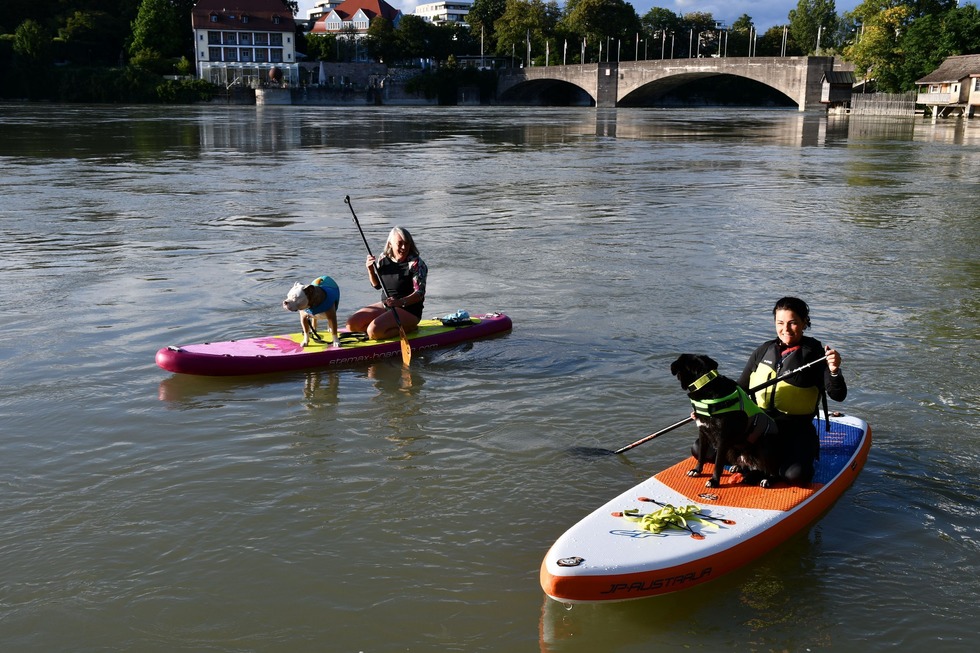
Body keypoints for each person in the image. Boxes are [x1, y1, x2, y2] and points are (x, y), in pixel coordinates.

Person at [738, 296, 847, 485]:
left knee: (796, 476)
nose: (785, 329)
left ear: (804, 323)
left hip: (796, 429)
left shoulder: (816, 355)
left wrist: (834, 370)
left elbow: (838, 395)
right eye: (780, 323)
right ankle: (762, 464)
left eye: (793, 323)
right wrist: (708, 407)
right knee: (701, 450)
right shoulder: (763, 350)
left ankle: (778, 464)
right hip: (762, 427)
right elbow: (739, 389)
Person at [346, 226, 427, 341]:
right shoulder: (383, 258)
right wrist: (370, 269)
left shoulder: (416, 264)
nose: (404, 247)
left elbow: (419, 294)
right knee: (352, 324)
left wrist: (399, 302)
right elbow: (377, 285)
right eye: (400, 243)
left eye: (407, 244)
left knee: (373, 331)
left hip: (409, 310)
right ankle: (383, 329)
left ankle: (410, 328)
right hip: (387, 305)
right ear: (390, 244)